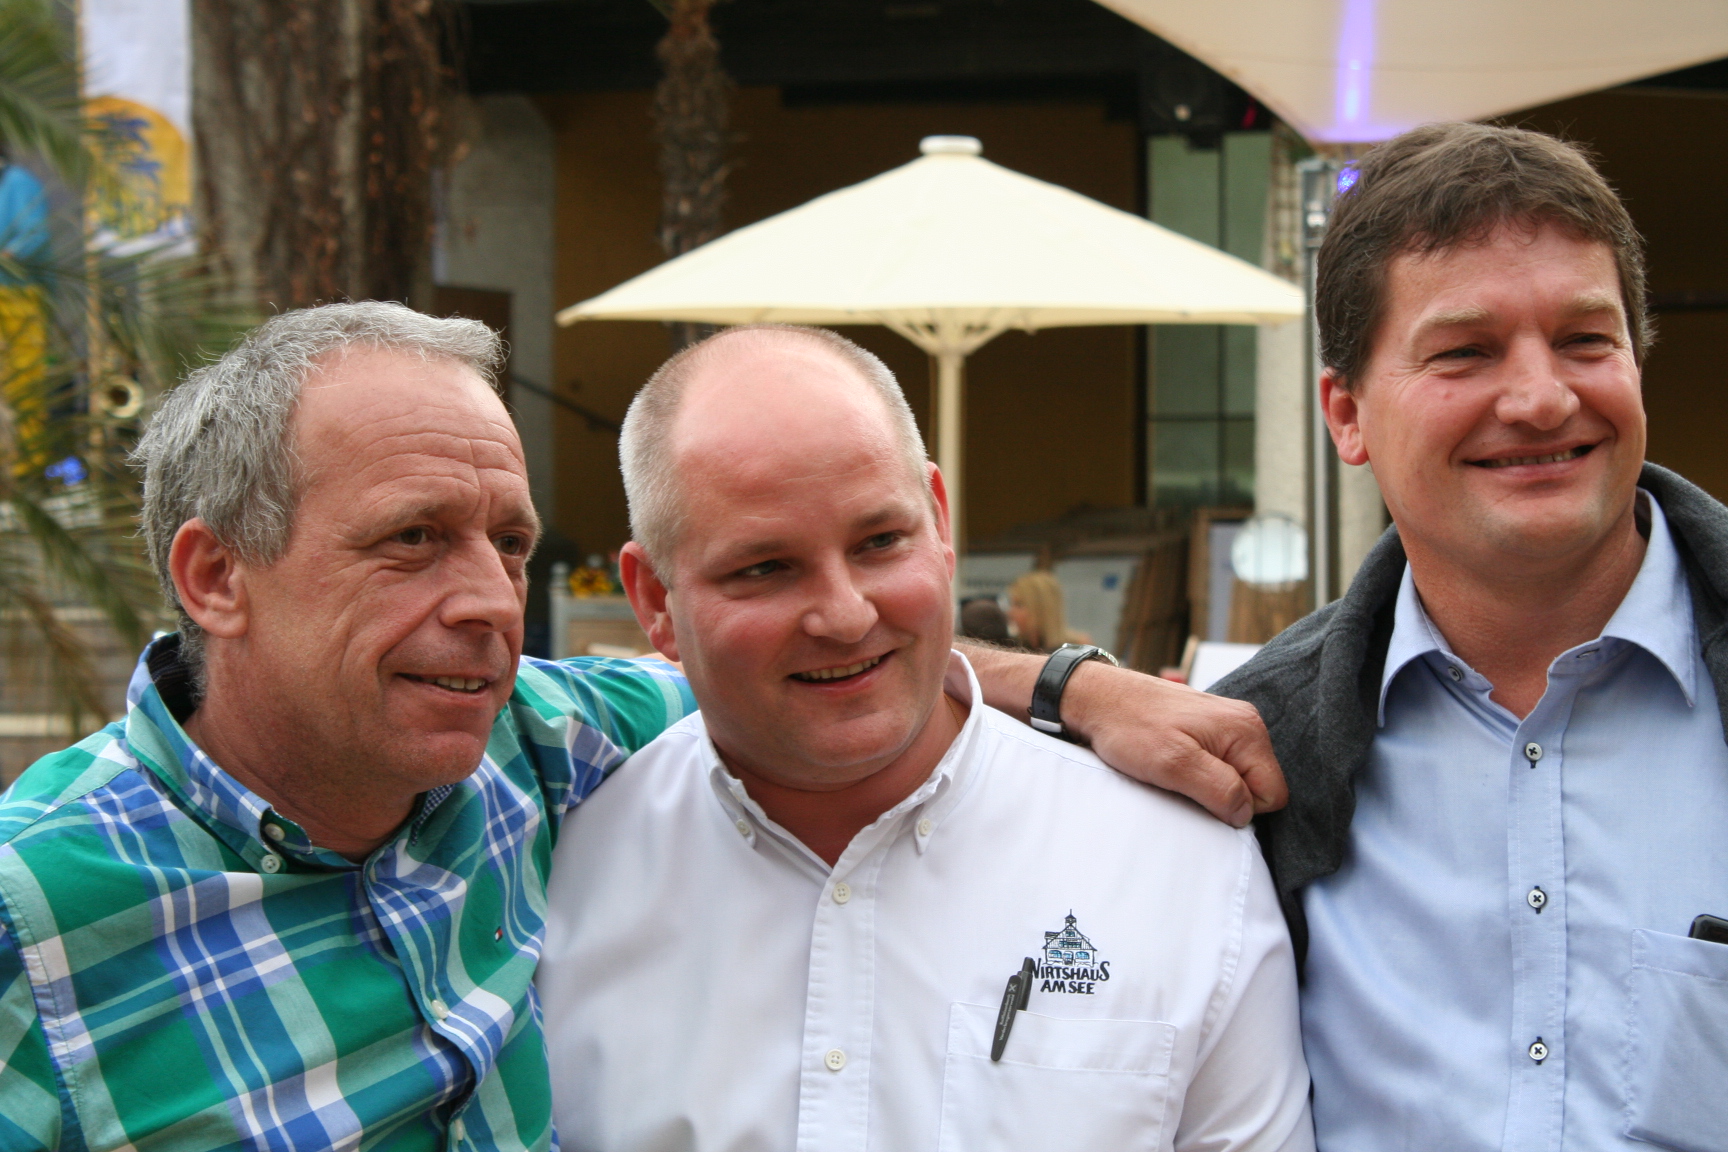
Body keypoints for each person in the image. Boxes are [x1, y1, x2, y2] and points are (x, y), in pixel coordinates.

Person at [0, 302, 1283, 1150]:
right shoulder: (33, 914)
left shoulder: (535, 745)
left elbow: (811, 672)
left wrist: (1074, 687)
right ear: (216, 576)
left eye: (509, 543)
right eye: (413, 540)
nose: (490, 603)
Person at [537, 325, 1314, 1152]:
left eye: (880, 542)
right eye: (764, 568)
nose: (845, 615)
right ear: (653, 600)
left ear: (939, 522)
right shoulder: (554, 881)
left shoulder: (1178, 867)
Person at [1215, 122, 1728, 1152]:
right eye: (1465, 352)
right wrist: (1061, 686)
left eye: (1586, 340)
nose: (1541, 399)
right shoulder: (1255, 755)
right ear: (1346, 414)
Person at [1005, 570, 1088, 652]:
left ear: (1040, 609)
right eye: (1012, 604)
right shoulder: (1012, 646)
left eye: (1019, 605)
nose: (1010, 613)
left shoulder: (1077, 647)